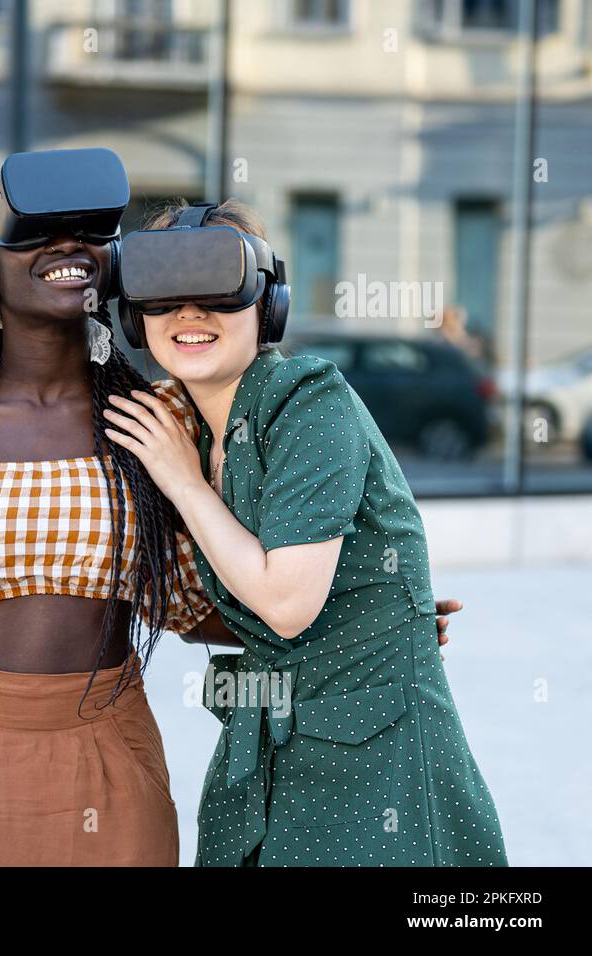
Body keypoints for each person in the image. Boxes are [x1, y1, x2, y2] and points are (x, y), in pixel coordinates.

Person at [0, 170, 462, 866]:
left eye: (89, 233)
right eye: (33, 232)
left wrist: (363, 619)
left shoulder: (165, 426)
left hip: (108, 756)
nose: (67, 246)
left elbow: (209, 599)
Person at [102, 198, 507, 866]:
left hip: (377, 774)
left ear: (270, 305)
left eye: (219, 293)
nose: (190, 314)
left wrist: (182, 482)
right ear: (134, 318)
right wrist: (386, 606)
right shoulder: (188, 428)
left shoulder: (307, 399)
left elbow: (288, 605)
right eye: (165, 295)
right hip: (267, 767)